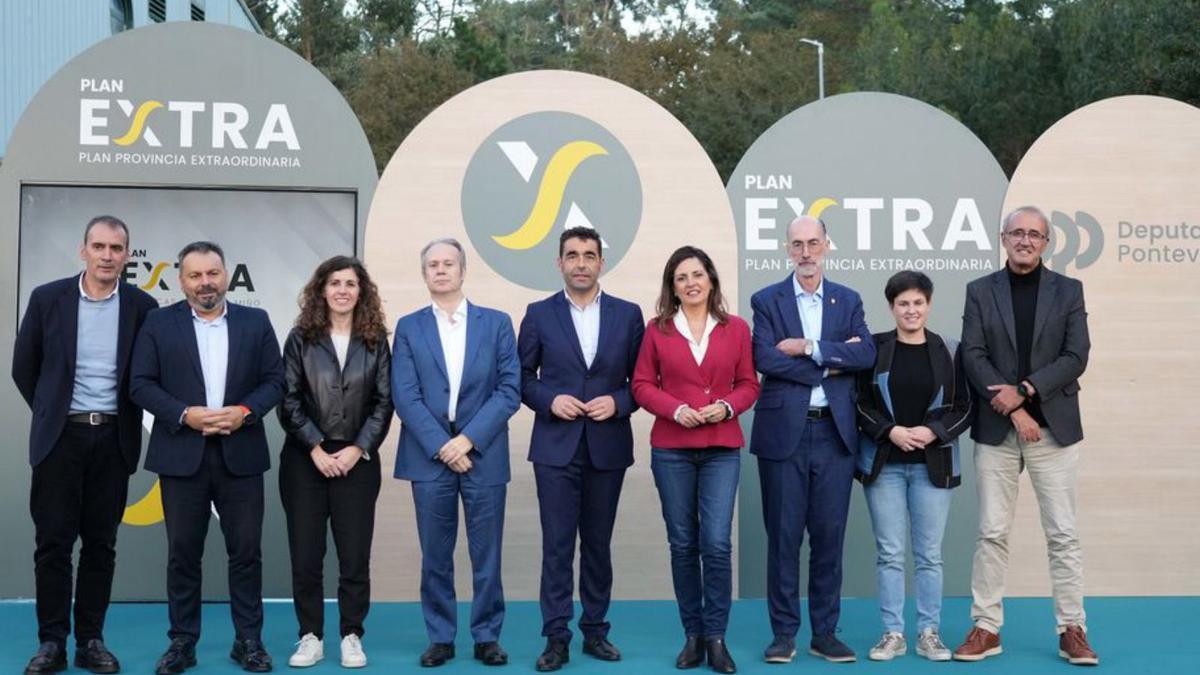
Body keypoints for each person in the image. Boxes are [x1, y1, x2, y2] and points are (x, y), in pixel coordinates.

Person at [130, 241, 285, 675]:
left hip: (242, 455)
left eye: (212, 274)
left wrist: (243, 412)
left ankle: (249, 641)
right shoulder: (158, 323)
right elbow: (140, 384)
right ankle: (182, 643)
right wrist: (185, 415)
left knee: (246, 553)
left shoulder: (256, 322)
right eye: (195, 276)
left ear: (226, 275)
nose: (205, 283)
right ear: (181, 280)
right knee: (183, 553)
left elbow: (275, 380)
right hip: (182, 456)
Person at [12, 215, 159, 675]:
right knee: (53, 544)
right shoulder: (47, 299)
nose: (107, 255)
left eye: (117, 248)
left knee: (101, 544)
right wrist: (53, 412)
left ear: (126, 255)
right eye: (99, 246)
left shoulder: (143, 306)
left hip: (113, 439)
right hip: (60, 438)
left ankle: (91, 641)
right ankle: (51, 642)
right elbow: (24, 368)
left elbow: (147, 373)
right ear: (84, 251)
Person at [953, 206, 1097, 666]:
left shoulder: (1069, 290)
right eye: (1018, 232)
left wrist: (1026, 391)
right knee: (992, 532)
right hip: (997, 430)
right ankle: (986, 627)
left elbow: (1077, 355)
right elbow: (972, 356)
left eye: (1034, 234)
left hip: (1055, 428)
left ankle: (1072, 628)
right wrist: (1016, 410)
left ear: (1046, 242)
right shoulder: (979, 291)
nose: (1025, 240)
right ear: (1003, 237)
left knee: (1063, 534)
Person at [517, 227, 645, 672]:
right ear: (560, 263)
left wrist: (620, 401)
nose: (581, 263)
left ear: (601, 263)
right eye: (572, 255)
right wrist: (550, 400)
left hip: (607, 446)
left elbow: (643, 383)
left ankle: (595, 632)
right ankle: (556, 638)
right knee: (556, 546)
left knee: (597, 544)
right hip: (555, 446)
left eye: (589, 255)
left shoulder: (628, 315)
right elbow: (520, 378)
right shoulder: (537, 314)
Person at [749, 216, 875, 664]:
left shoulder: (849, 299)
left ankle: (825, 633)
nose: (806, 252)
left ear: (827, 245)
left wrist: (807, 346)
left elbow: (866, 354)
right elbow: (764, 358)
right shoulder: (766, 300)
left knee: (829, 537)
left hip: (835, 434)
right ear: (787, 249)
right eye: (797, 244)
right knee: (783, 538)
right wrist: (833, 360)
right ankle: (784, 634)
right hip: (785, 433)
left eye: (813, 243)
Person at [391, 238, 520, 668]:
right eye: (432, 265)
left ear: (463, 271)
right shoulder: (409, 327)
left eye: (449, 263)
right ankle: (441, 638)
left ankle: (487, 637)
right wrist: (444, 447)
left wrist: (467, 441)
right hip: (429, 456)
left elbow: (509, 390)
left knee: (487, 555)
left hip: (482, 452)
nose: (441, 270)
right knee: (435, 555)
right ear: (424, 274)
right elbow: (404, 397)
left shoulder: (497, 323)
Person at [631, 246, 759, 675]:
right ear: (672, 286)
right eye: (681, 277)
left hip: (722, 446)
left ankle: (717, 637)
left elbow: (749, 384)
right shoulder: (657, 330)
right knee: (684, 543)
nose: (691, 282)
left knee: (717, 543)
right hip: (672, 448)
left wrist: (725, 407)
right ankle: (693, 635)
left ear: (711, 280)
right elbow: (642, 385)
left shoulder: (737, 329)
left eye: (697, 274)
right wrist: (675, 409)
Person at [277, 256, 393, 668]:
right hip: (304, 461)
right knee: (306, 555)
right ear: (321, 290)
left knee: (354, 555)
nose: (342, 290)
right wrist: (315, 448)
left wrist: (358, 447)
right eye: (334, 283)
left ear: (362, 292)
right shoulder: (300, 339)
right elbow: (287, 400)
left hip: (357, 462)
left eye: (350, 283)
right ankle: (310, 636)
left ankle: (351, 635)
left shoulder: (375, 338)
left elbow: (384, 402)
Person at [853, 271, 972, 662]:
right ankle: (892, 633)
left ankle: (928, 632)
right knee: (889, 553)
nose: (911, 310)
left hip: (931, 465)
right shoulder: (874, 349)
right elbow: (858, 404)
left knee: (929, 555)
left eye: (918, 302)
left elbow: (964, 407)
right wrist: (890, 431)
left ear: (929, 305)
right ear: (891, 307)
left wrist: (933, 431)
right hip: (885, 465)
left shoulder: (949, 351)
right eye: (903, 303)